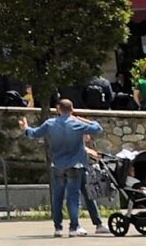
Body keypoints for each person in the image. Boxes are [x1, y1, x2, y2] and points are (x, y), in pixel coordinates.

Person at [22, 98, 105, 237]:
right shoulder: (77, 124)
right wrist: (85, 120)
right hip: (75, 164)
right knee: (73, 196)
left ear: (58, 110)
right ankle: (74, 227)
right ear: (72, 110)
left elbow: (34, 133)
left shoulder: (50, 123)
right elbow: (98, 128)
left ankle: (58, 227)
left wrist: (25, 128)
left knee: (58, 196)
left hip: (58, 164)